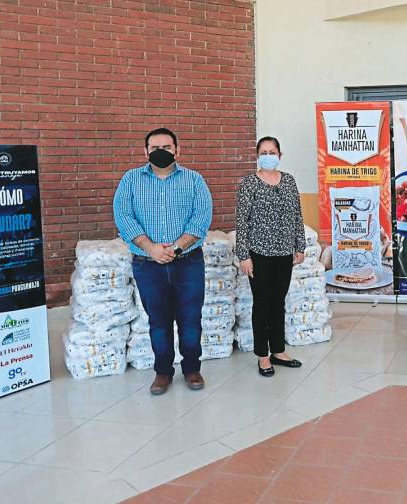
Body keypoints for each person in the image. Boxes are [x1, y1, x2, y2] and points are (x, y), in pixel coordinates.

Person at [113, 128, 213, 396]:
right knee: (158, 321)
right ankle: (163, 372)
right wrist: (151, 247)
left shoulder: (194, 180)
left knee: (190, 319)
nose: (160, 152)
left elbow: (201, 218)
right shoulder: (131, 180)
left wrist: (176, 248)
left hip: (188, 262)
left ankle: (192, 368)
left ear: (177, 150)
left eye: (167, 147)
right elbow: (123, 216)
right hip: (147, 263)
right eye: (155, 147)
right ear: (145, 151)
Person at [236, 136, 306, 377]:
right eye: (264, 151)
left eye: (272, 151)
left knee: (278, 301)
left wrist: (300, 246)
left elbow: (297, 214)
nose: (268, 155)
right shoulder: (249, 183)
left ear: (280, 155)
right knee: (262, 304)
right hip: (259, 254)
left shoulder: (288, 181)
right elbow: (242, 222)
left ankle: (278, 350)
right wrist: (243, 255)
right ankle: (263, 356)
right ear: (257, 156)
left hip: (284, 253)